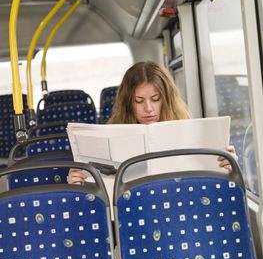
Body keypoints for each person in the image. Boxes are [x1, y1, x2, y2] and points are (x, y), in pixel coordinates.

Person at [67, 61, 236, 184]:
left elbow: (209, 183)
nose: (148, 108)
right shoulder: (109, 138)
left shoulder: (189, 130)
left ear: (167, 99)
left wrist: (229, 165)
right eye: (139, 101)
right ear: (128, 104)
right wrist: (80, 183)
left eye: (155, 99)